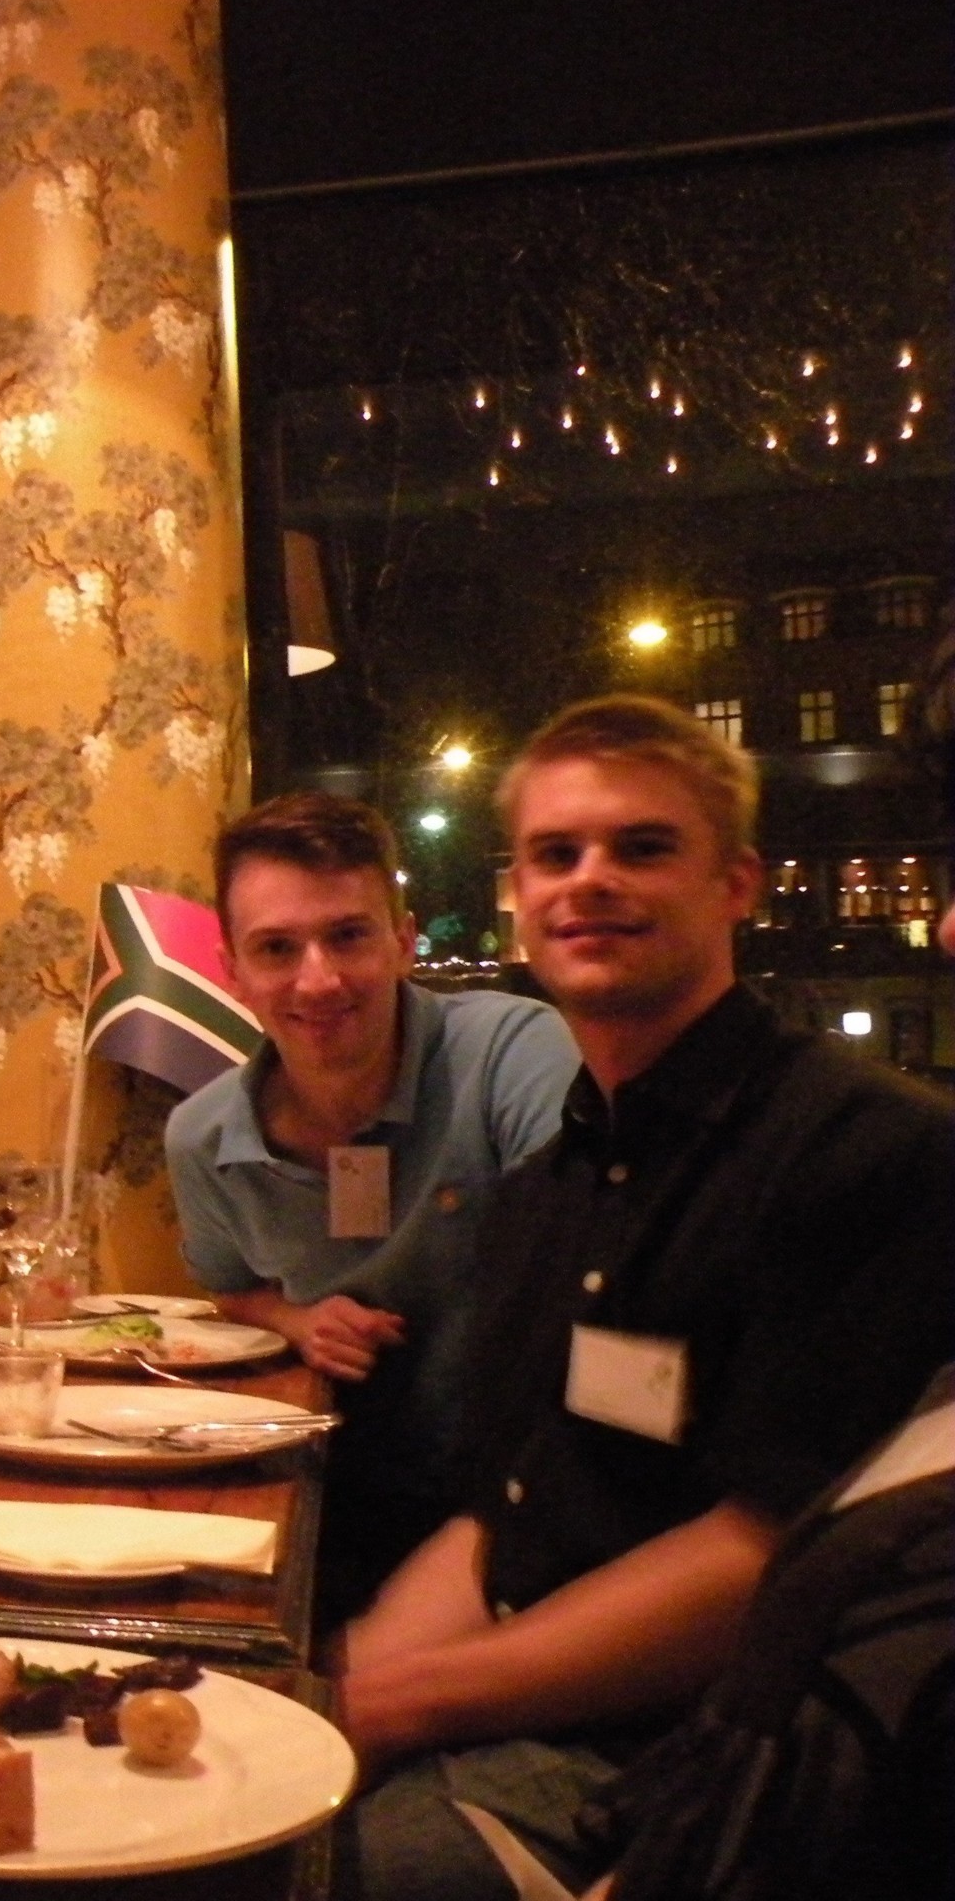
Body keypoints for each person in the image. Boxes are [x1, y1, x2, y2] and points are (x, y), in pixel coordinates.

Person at [332, 696, 955, 1901]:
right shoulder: (537, 1196)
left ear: (737, 883)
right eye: (555, 855)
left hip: (701, 1749)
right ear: (515, 894)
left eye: (642, 847)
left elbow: (762, 1561)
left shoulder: (870, 1151)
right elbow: (499, 1523)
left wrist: (386, 1707)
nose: (590, 881)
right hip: (512, 1682)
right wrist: (319, 1686)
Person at [164, 793, 579, 1618]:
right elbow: (230, 1290)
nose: (317, 979)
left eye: (347, 935)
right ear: (233, 972)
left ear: (402, 938)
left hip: (527, 1499)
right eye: (277, 948)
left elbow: (601, 1255)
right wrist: (296, 1320)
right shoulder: (200, 1137)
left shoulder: (513, 1054)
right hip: (329, 1499)